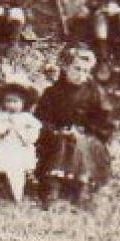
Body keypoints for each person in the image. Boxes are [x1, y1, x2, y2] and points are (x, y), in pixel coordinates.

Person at [33, 46, 114, 205]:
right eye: (77, 69)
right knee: (62, 143)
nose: (81, 75)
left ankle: (82, 186)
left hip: (87, 137)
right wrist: (57, 131)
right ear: (65, 67)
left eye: (85, 71)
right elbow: (40, 120)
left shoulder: (95, 93)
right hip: (57, 137)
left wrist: (85, 130)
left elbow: (105, 122)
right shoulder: (52, 92)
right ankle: (52, 187)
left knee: (82, 144)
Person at [0, 74, 42, 203]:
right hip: (2, 147)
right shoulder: (0, 116)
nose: (11, 105)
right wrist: (4, 128)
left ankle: (17, 194)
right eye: (8, 101)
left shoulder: (27, 118)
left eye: (15, 102)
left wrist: (22, 132)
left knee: (17, 167)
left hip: (20, 148)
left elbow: (33, 136)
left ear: (23, 102)